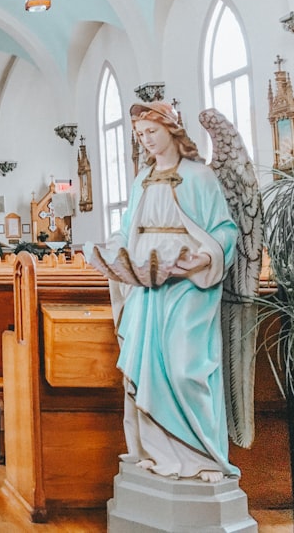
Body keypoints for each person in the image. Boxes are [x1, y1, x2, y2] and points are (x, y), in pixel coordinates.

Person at [86, 101, 238, 483]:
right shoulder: (142, 180)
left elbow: (225, 231)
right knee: (145, 369)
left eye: (152, 132)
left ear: (172, 129)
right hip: (146, 287)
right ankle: (158, 455)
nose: (147, 140)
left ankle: (202, 457)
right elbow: (128, 229)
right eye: (140, 135)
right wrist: (111, 249)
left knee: (187, 367)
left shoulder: (199, 177)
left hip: (188, 286)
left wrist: (203, 259)